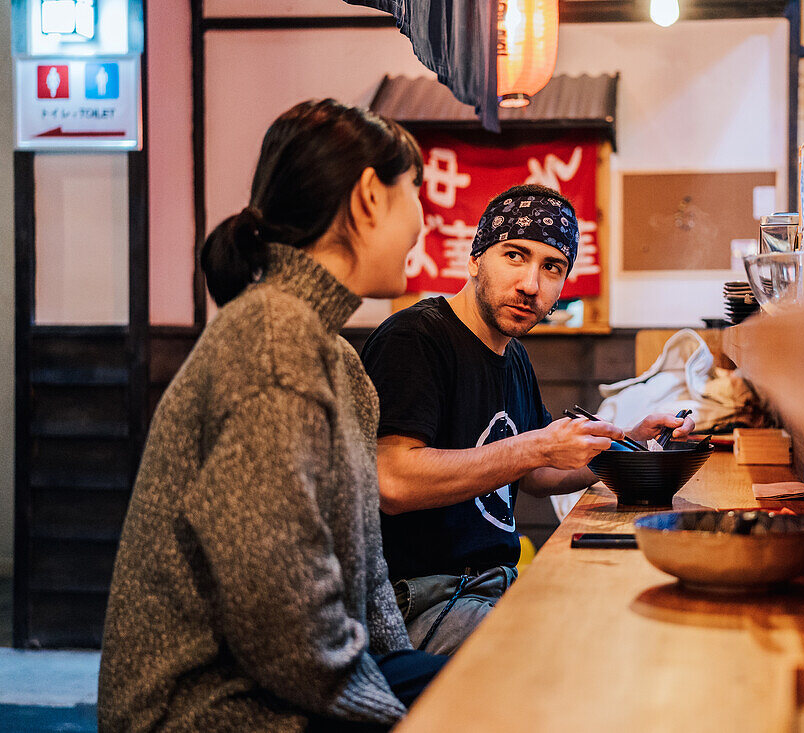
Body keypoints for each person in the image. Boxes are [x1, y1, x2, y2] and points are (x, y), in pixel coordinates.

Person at [99, 99, 446, 732]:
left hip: (288, 680)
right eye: (415, 194)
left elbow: (366, 569)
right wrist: (394, 709)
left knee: (481, 681)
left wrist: (401, 667)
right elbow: (278, 611)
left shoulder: (334, 355)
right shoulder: (271, 336)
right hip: (208, 707)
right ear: (370, 197)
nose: (424, 223)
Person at [360, 184, 695, 655]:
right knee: (576, 654)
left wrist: (631, 441)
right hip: (421, 599)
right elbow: (391, 481)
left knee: (625, 618)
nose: (531, 285)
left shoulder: (512, 355)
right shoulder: (416, 337)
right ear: (475, 259)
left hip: (493, 584)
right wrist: (534, 446)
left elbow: (536, 475)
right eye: (515, 256)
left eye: (551, 267)